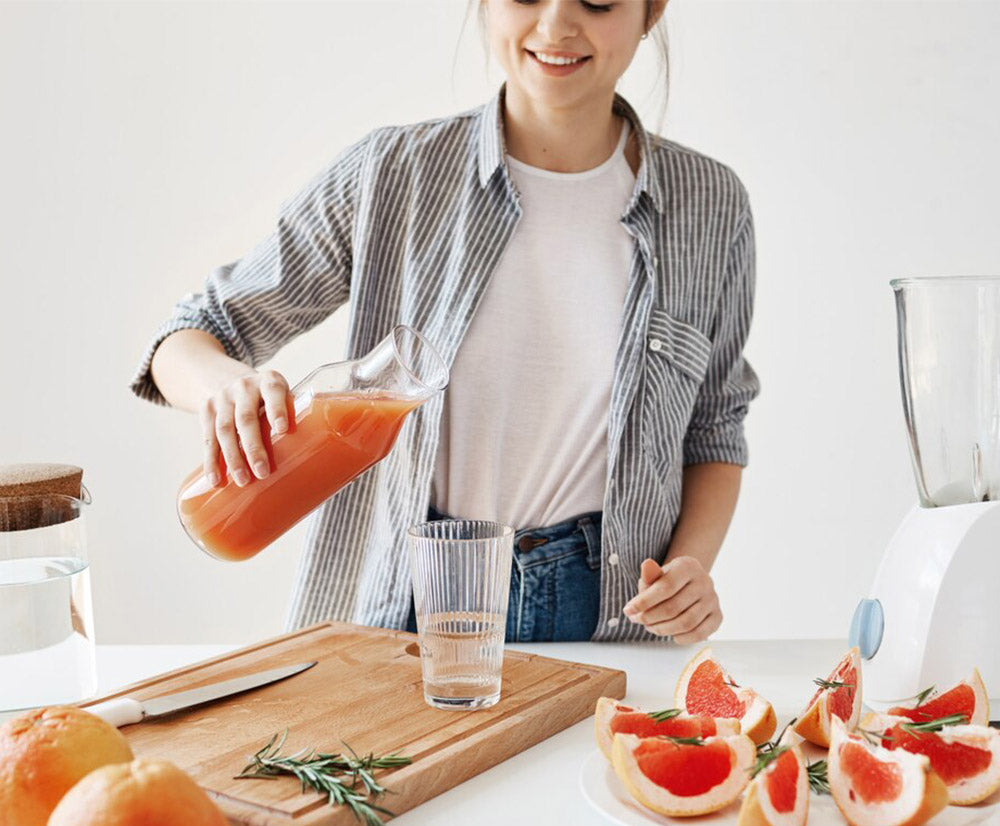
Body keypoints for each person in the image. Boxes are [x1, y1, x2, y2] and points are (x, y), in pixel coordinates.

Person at [130, 0, 759, 644]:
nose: (556, 26)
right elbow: (191, 334)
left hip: (603, 607)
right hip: (401, 593)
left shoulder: (711, 205)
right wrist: (223, 389)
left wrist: (690, 569)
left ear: (651, 11)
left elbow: (714, 428)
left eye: (597, 1)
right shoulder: (391, 173)